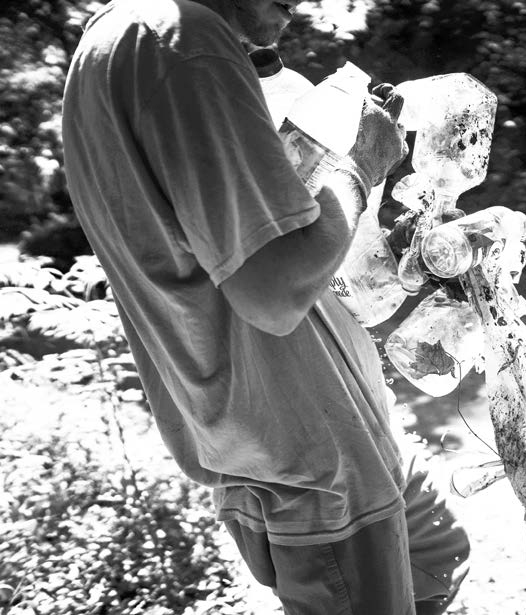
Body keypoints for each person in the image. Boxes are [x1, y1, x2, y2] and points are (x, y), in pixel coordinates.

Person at [62, 0, 469, 613]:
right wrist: (357, 166)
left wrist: (407, 262)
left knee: (438, 554)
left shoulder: (123, 38)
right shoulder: (184, 43)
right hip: (308, 451)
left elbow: (279, 258)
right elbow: (274, 293)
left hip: (326, 429)